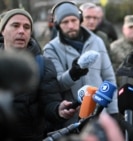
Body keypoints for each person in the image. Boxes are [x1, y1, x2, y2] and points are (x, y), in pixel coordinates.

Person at [0, 8, 76, 141]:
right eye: (15, 25)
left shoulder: (42, 64)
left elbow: (49, 103)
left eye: (27, 27)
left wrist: (59, 110)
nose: (21, 31)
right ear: (2, 30)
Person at [43, 1, 118, 129]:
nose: (71, 25)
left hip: (100, 115)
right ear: (57, 25)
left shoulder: (97, 41)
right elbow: (56, 85)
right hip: (72, 121)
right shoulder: (50, 49)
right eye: (65, 22)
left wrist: (113, 112)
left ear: (80, 20)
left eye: (74, 20)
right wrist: (72, 74)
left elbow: (109, 77)